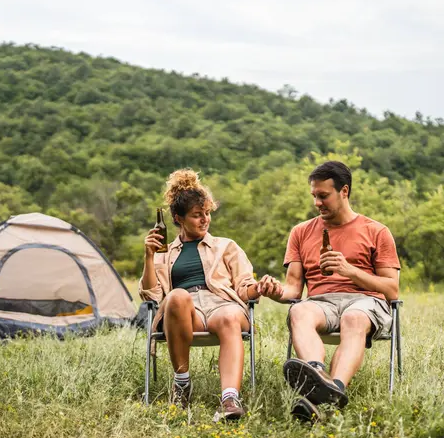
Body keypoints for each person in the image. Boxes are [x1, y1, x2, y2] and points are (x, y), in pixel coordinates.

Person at [258, 161, 400, 420]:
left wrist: (351, 271)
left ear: (344, 191)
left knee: (353, 317)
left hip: (366, 302)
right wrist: (274, 291)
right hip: (322, 302)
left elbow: (392, 289)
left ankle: (331, 388)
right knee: (299, 312)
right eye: (314, 196)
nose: (317, 203)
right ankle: (319, 376)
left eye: (323, 196)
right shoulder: (301, 232)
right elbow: (292, 289)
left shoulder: (376, 231)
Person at [139, 169, 279, 422]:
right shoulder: (163, 253)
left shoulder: (227, 246)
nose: (204, 220)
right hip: (184, 314)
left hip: (222, 305)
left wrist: (257, 288)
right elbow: (151, 295)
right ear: (178, 218)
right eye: (196, 215)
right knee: (178, 296)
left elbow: (244, 286)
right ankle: (182, 383)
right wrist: (149, 257)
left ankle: (229, 399)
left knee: (228, 315)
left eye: (207, 213)